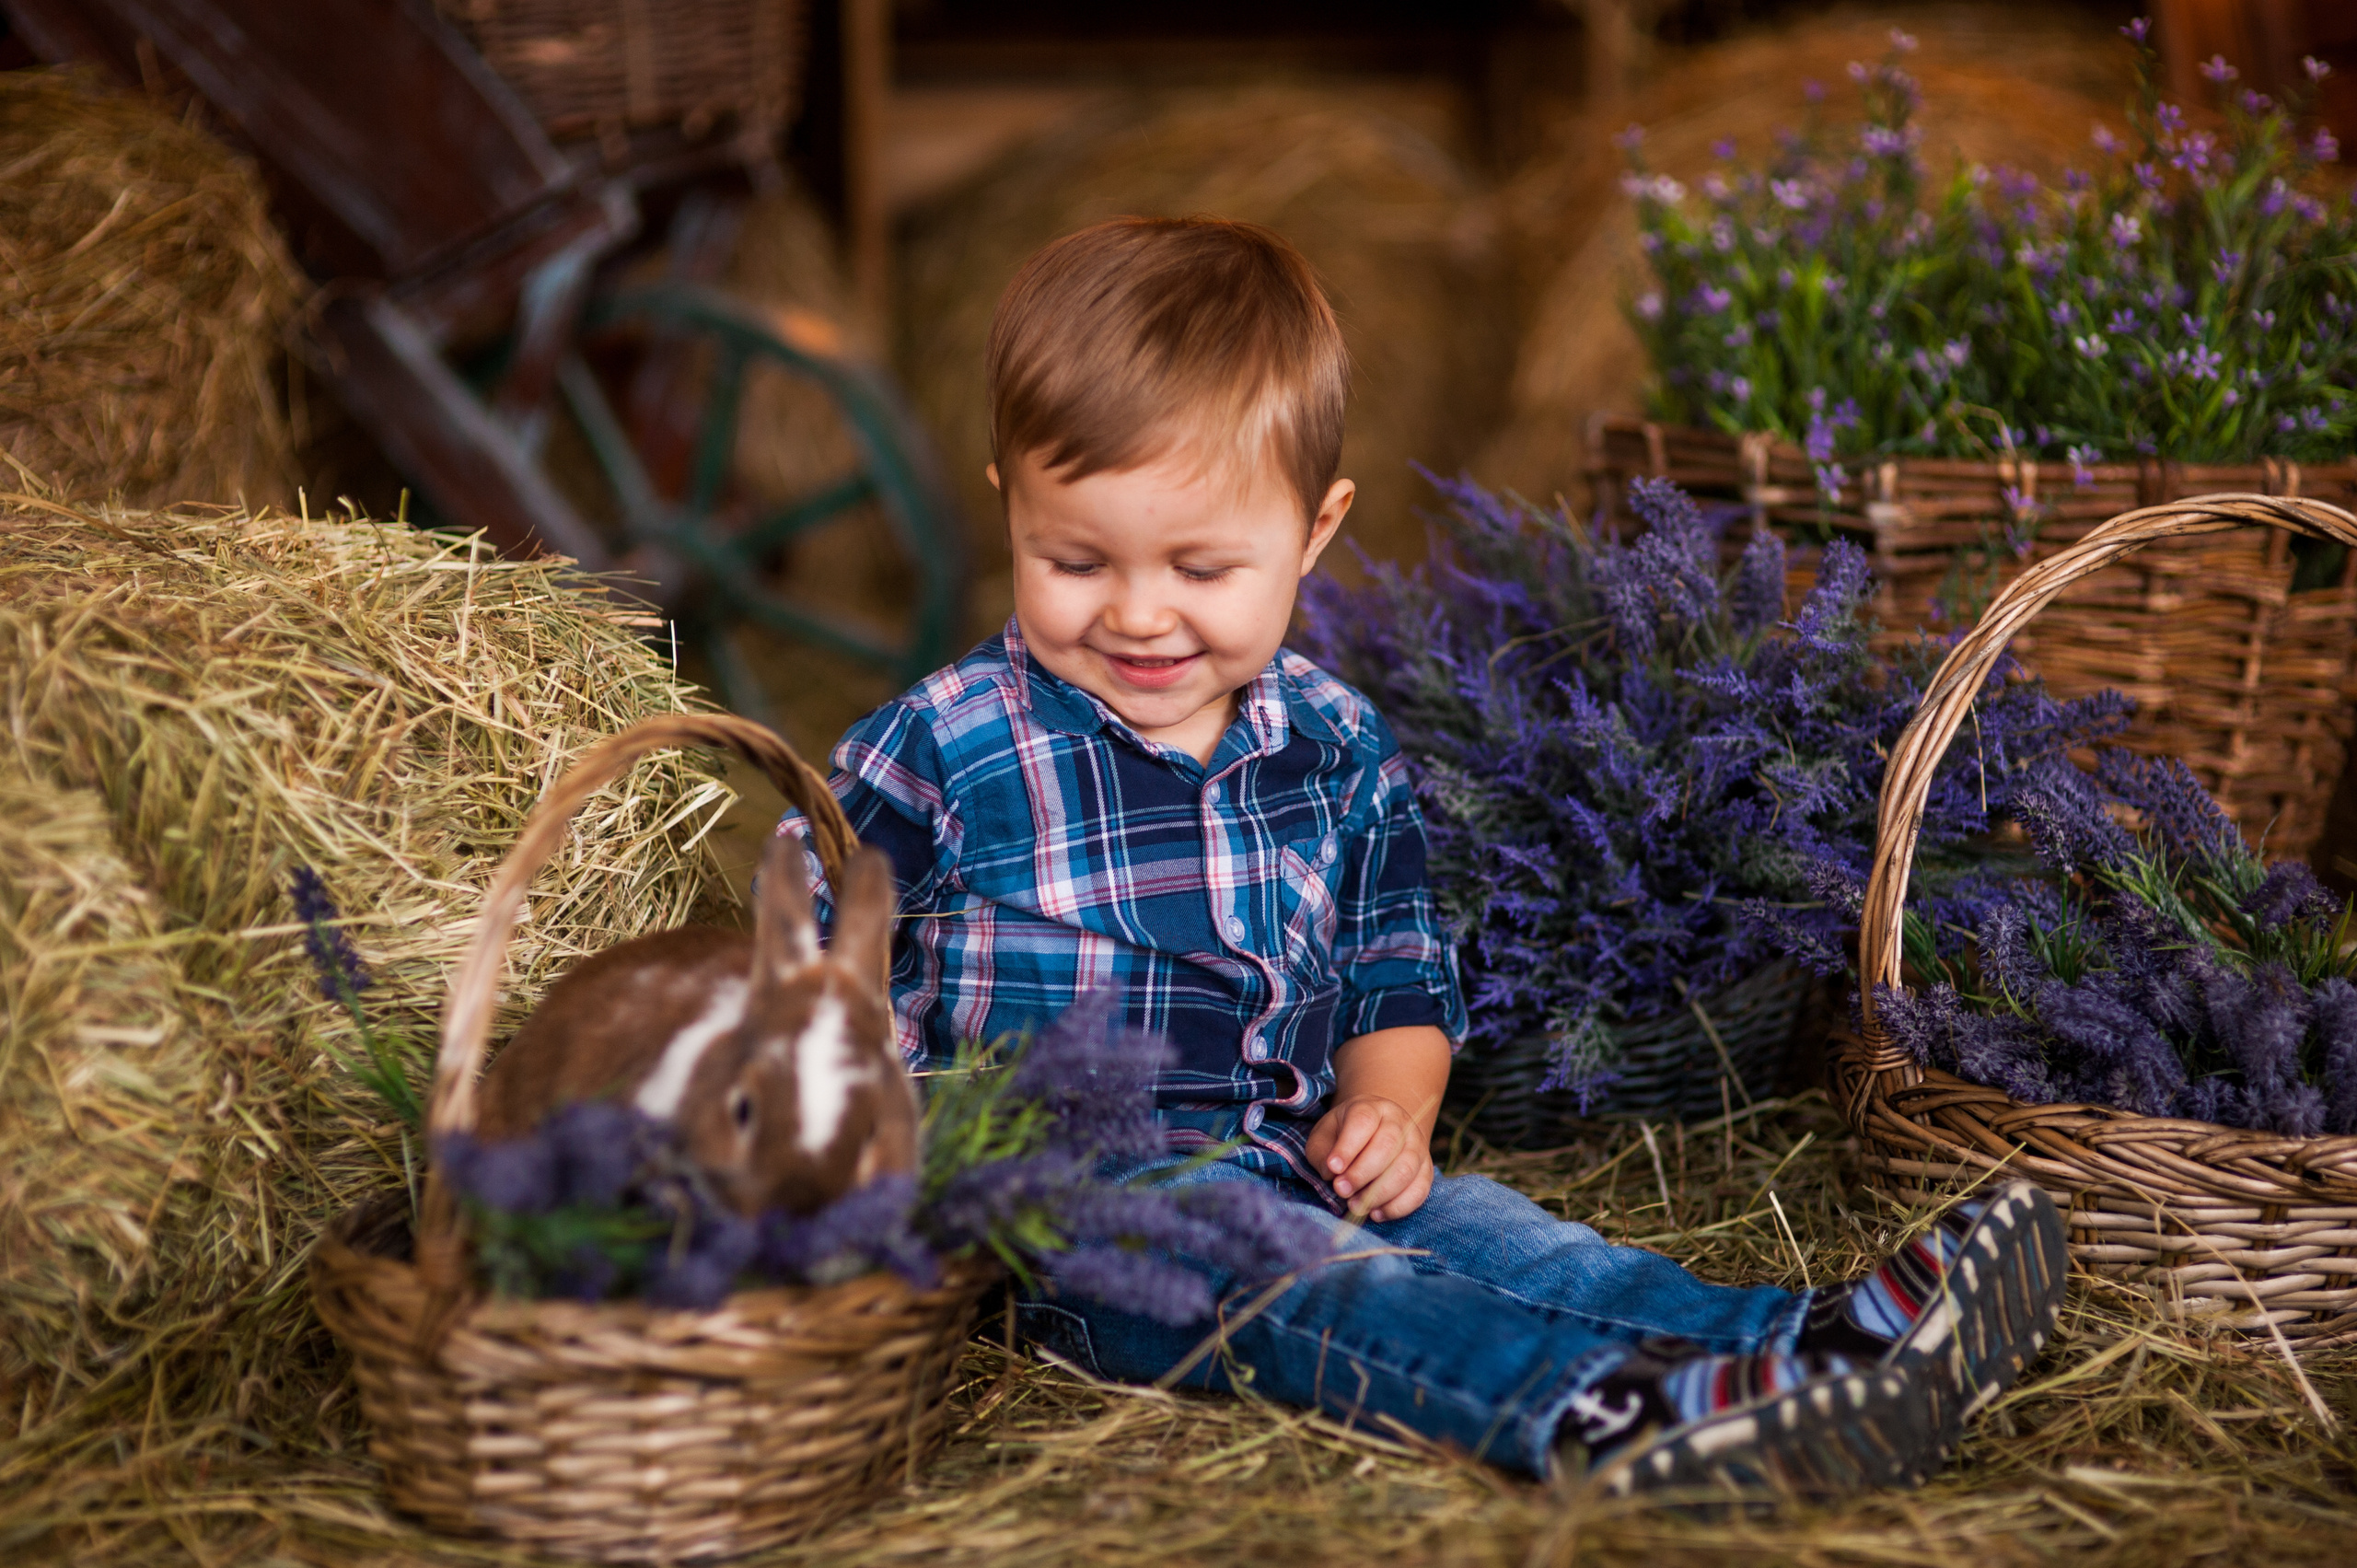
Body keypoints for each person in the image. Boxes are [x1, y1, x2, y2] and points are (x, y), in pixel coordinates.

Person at [777, 215, 2068, 1494]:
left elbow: (1395, 969)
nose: (1137, 611)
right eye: (1072, 560)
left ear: (1317, 532)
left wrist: (1392, 1109)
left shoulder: (1334, 743)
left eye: (1204, 566)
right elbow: (804, 936)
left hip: (1289, 1152)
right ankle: (1615, 1414)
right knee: (1335, 1292)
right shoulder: (945, 743)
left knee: (1497, 1233)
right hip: (1078, 1220)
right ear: (1010, 502)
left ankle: (1807, 1347)